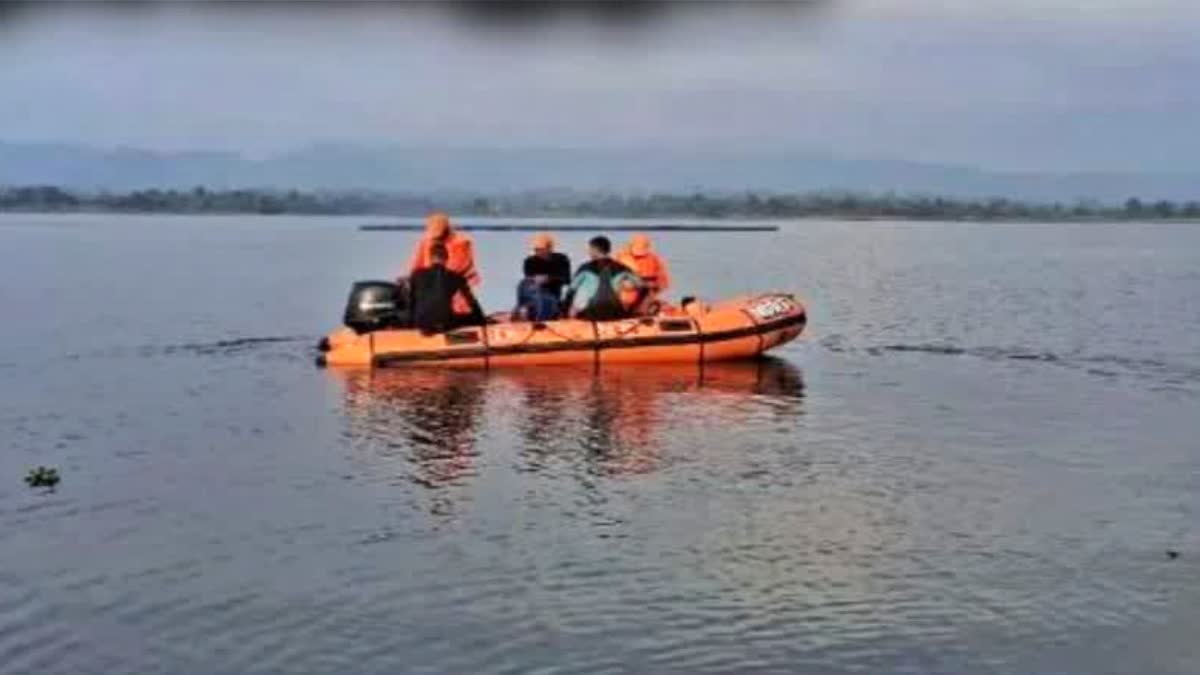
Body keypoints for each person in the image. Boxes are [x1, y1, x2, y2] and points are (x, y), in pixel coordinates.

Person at [405, 211, 480, 315]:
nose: (435, 238)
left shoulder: (462, 243)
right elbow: (417, 265)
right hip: (430, 287)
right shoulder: (426, 242)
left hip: (455, 290)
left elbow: (458, 269)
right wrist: (410, 280)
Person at [408, 243, 485, 334]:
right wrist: (481, 319)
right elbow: (472, 302)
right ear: (447, 258)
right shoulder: (455, 277)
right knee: (471, 317)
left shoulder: (416, 275)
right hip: (445, 323)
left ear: (431, 258)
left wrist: (410, 324)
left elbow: (411, 302)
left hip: (421, 323)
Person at [563, 236, 643, 321]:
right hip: (615, 311)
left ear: (595, 250)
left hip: (591, 312)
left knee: (579, 294)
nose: (589, 252)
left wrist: (565, 310)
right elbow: (640, 284)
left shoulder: (585, 268)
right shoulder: (621, 268)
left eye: (590, 249)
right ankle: (633, 314)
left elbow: (571, 290)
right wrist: (626, 286)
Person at [515, 232, 572, 321]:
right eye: (536, 249)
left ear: (549, 248)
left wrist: (549, 279)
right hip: (533, 293)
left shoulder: (561, 259)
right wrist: (535, 281)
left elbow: (567, 280)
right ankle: (523, 310)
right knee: (524, 285)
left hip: (551, 295)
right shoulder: (530, 261)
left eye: (541, 249)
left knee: (544, 300)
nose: (538, 252)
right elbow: (529, 279)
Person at [616, 233, 671, 313]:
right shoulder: (621, 257)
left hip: (645, 294)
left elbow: (663, 282)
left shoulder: (653, 259)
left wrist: (650, 285)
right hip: (623, 295)